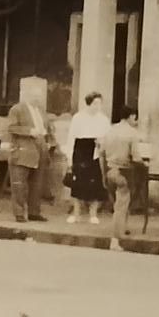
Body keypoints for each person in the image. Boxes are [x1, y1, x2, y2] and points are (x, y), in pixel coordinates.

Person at [7, 82, 52, 223]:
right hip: (23, 149)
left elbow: (49, 128)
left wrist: (49, 141)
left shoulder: (41, 111)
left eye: (39, 96)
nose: (38, 98)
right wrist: (29, 131)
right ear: (26, 95)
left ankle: (34, 212)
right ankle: (19, 213)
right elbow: (11, 127)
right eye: (35, 95)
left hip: (41, 148)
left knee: (37, 184)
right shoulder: (17, 109)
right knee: (19, 183)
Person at [64, 92, 110, 225]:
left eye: (100, 103)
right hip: (80, 152)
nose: (98, 106)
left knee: (95, 184)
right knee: (78, 184)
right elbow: (71, 138)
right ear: (89, 103)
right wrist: (69, 157)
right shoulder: (78, 117)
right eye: (95, 103)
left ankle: (93, 214)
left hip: (95, 152)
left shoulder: (103, 119)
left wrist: (101, 144)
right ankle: (76, 214)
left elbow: (107, 137)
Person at [99, 105, 141, 251]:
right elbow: (136, 157)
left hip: (110, 170)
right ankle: (115, 240)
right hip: (124, 171)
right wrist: (144, 162)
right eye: (135, 118)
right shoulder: (132, 133)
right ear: (131, 116)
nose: (135, 121)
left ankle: (123, 229)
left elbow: (101, 154)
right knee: (121, 207)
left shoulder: (110, 131)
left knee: (119, 203)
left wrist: (103, 174)